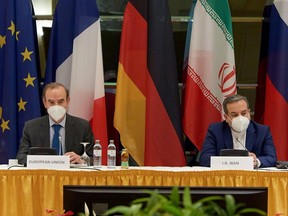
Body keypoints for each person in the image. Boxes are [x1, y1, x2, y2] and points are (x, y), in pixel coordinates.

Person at [17, 82, 95, 165]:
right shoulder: (31, 127)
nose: (56, 106)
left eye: (61, 101)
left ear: (68, 101)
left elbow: (94, 158)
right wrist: (44, 161)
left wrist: (82, 160)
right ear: (45, 103)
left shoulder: (83, 127)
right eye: (51, 102)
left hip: (71, 176)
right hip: (43, 176)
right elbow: (21, 157)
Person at [199, 94, 277, 168]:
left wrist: (256, 161)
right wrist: (233, 162)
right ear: (226, 117)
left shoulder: (262, 131)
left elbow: (272, 158)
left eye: (243, 113)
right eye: (234, 115)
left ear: (249, 112)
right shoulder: (215, 130)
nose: (240, 118)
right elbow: (205, 160)